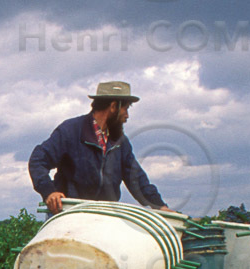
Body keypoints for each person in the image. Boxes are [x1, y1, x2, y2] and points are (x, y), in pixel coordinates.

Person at [28, 81, 168, 214]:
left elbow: (136, 179)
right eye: (125, 109)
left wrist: (160, 206)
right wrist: (49, 192)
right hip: (68, 213)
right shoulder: (70, 130)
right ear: (114, 106)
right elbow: (38, 160)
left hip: (103, 216)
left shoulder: (121, 142)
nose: (127, 115)